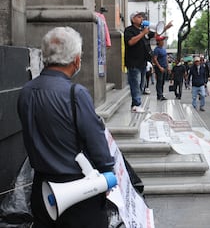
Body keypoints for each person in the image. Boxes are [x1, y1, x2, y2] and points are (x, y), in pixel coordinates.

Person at [17, 27, 115, 227]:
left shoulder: (26, 91)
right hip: (79, 191)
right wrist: (107, 173)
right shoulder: (75, 93)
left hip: (41, 189)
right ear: (76, 59)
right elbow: (95, 139)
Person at [124, 11, 151, 112]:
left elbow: (156, 33)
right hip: (133, 63)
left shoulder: (142, 30)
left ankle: (135, 105)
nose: (141, 19)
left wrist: (165, 28)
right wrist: (142, 34)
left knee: (141, 85)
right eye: (139, 17)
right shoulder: (129, 30)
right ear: (133, 19)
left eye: (141, 17)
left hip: (142, 63)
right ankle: (137, 104)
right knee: (135, 84)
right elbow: (130, 42)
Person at [153, 35, 169, 100]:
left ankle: (161, 94)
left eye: (163, 40)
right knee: (159, 81)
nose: (163, 42)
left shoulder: (164, 49)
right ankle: (159, 95)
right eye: (162, 40)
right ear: (158, 41)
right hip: (159, 68)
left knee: (162, 82)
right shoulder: (156, 49)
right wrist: (159, 67)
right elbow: (155, 59)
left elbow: (166, 58)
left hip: (164, 67)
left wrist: (167, 67)